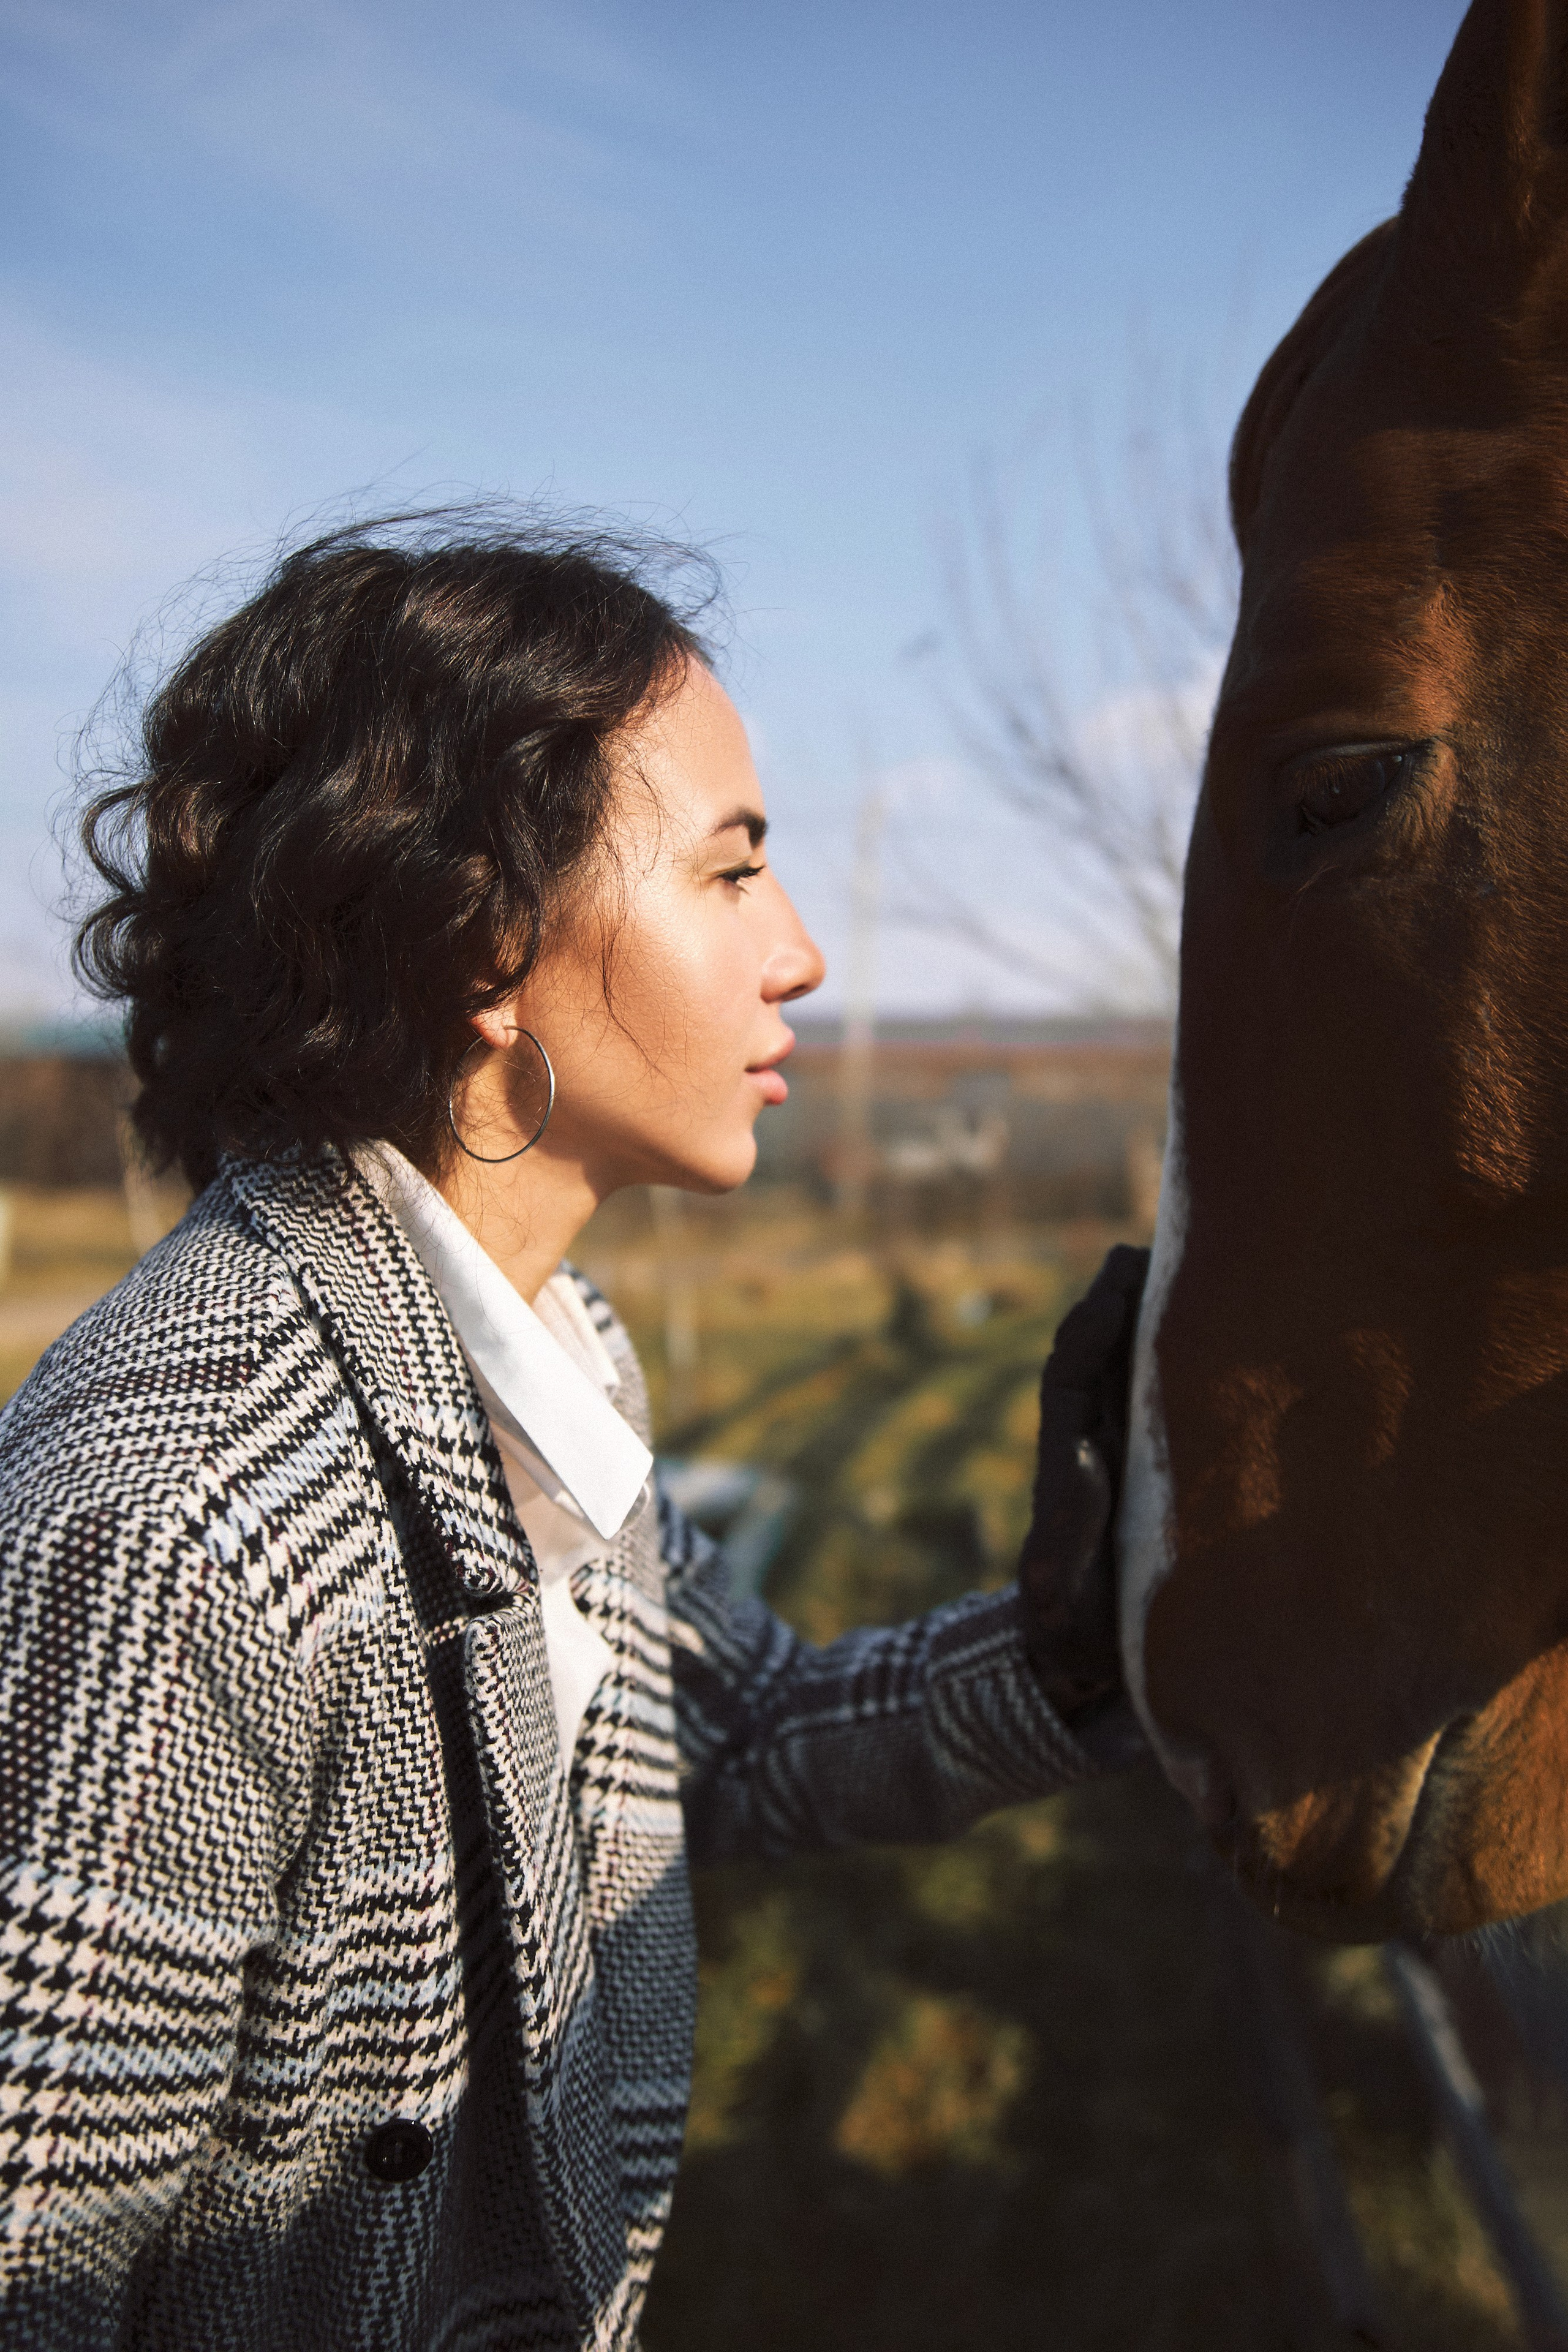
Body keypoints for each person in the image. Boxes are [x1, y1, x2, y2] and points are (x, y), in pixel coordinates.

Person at [0, 516, 1145, 2351]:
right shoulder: (181, 1514)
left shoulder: (557, 1349)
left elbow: (738, 1736)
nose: (806, 954)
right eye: (730, 873)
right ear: (482, 935)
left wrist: (1089, 1644)